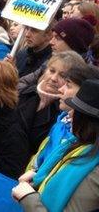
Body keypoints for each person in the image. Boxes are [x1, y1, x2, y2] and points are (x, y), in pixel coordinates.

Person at [13, 79, 99, 211]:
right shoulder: (77, 145)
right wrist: (38, 176)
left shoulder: (95, 170)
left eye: (76, 111)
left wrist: (27, 197)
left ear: (89, 122)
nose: (70, 114)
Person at [26, 62, 99, 172]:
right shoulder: (62, 121)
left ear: (85, 94)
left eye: (68, 85)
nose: (60, 89)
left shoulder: (82, 137)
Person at [17, 51, 84, 155]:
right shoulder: (25, 93)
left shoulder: (65, 114)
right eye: (52, 71)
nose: (53, 79)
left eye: (63, 76)